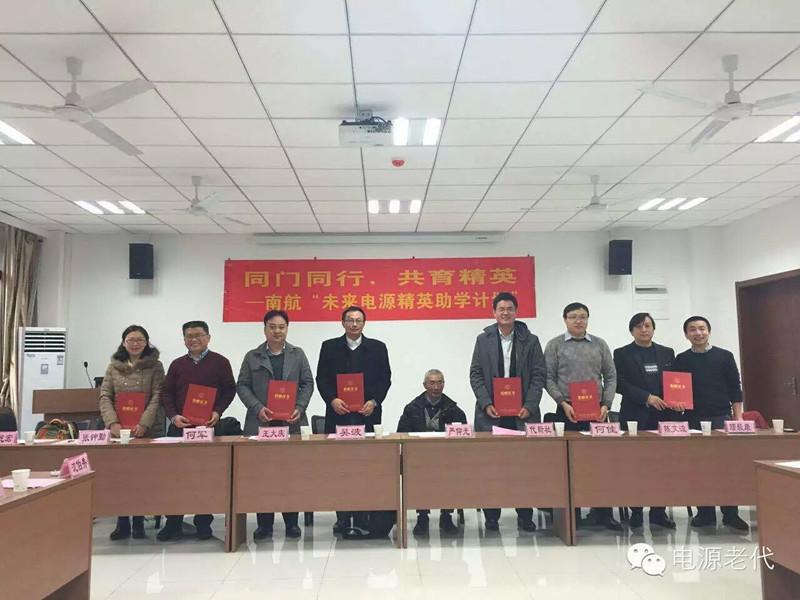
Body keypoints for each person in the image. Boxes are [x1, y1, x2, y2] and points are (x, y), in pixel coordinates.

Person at [469, 291, 546, 532]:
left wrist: (529, 405)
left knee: (524, 467)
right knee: (491, 466)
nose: (505, 313)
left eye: (509, 309)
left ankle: (525, 515)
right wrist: (485, 403)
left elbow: (539, 375)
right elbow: (475, 374)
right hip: (491, 413)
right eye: (501, 309)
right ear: (494, 312)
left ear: (516, 312)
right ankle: (492, 516)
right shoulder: (483, 340)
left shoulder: (530, 340)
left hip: (522, 413)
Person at [157, 320, 236, 542]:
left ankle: (203, 523)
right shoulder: (177, 365)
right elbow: (166, 393)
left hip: (207, 428)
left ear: (208, 337)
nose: (194, 340)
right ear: (184, 340)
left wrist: (218, 412)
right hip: (180, 429)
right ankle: (173, 522)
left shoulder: (220, 362)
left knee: (206, 477)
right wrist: (174, 416)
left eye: (199, 335)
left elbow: (229, 390)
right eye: (189, 336)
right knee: (175, 477)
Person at [316, 306, 391, 537]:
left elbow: (385, 379)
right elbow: (322, 378)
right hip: (338, 416)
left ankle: (362, 516)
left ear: (364, 323)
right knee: (340, 469)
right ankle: (342, 518)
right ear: (343, 323)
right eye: (350, 320)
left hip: (367, 416)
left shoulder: (377, 348)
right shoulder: (329, 347)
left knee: (365, 468)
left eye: (359, 320)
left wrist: (374, 401)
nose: (354, 324)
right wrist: (332, 399)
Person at [238, 310, 314, 540]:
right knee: (263, 476)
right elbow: (242, 385)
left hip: (291, 423)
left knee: (291, 474)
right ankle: (264, 525)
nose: (277, 331)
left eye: (281, 327)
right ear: (265, 329)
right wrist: (257, 408)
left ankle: (292, 523)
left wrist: (299, 407)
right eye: (272, 327)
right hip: (262, 423)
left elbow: (308, 383)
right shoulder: (252, 356)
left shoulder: (297, 354)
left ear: (287, 329)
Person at [545, 302, 620, 531]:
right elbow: (548, 378)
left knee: (600, 465)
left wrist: (606, 404)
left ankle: (603, 513)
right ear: (565, 319)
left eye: (583, 316)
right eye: (573, 316)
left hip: (597, 412)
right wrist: (562, 402)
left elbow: (610, 376)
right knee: (568, 465)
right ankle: (572, 514)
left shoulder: (599, 344)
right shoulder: (555, 345)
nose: (578, 320)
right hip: (567, 411)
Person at [674, 315, 749, 531]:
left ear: (709, 331)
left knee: (726, 466)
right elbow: (676, 389)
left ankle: (730, 513)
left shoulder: (724, 356)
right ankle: (705, 512)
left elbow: (735, 387)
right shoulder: (682, 359)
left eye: (702, 328)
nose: (698, 333)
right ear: (686, 334)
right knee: (699, 466)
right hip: (692, 419)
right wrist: (676, 403)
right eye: (692, 329)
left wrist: (738, 417)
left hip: (720, 417)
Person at [99, 324, 165, 541]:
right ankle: (122, 521)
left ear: (147, 343)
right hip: (119, 432)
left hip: (146, 430)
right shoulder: (113, 366)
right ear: (123, 342)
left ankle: (138, 521)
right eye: (131, 340)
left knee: (142, 477)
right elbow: (105, 396)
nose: (135, 344)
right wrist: (112, 423)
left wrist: (144, 424)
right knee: (120, 477)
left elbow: (157, 396)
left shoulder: (155, 366)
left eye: (140, 340)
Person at [613, 312, 679, 530]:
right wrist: (646, 397)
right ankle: (636, 511)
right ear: (631, 330)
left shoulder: (667, 352)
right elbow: (620, 383)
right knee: (634, 466)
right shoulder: (622, 353)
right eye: (639, 326)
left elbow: (674, 382)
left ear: (653, 328)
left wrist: (677, 399)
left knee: (662, 466)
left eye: (648, 325)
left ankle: (658, 512)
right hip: (635, 415)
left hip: (663, 417)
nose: (644, 330)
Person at [397, 369, 467, 536]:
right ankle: (422, 516)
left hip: (446, 457)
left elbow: (464, 436)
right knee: (418, 473)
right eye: (432, 383)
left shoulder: (454, 409)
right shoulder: (412, 408)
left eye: (440, 382)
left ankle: (446, 515)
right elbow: (401, 434)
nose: (436, 387)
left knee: (451, 473)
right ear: (424, 385)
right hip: (419, 458)